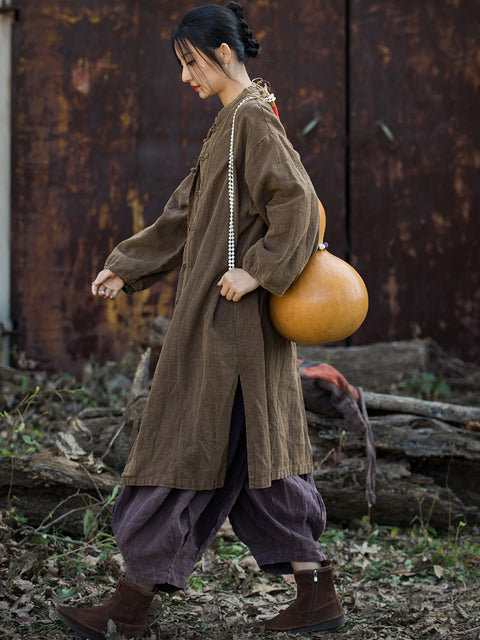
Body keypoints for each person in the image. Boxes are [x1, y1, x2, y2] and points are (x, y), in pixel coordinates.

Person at [57, 3, 345, 638]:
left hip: (231, 328)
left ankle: (128, 611)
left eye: (191, 61)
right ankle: (317, 595)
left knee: (186, 448)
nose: (185, 76)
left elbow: (297, 204)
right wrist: (128, 265)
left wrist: (258, 272)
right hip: (224, 327)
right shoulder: (232, 124)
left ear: (223, 53)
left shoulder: (252, 123)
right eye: (180, 64)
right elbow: (187, 216)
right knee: (255, 467)